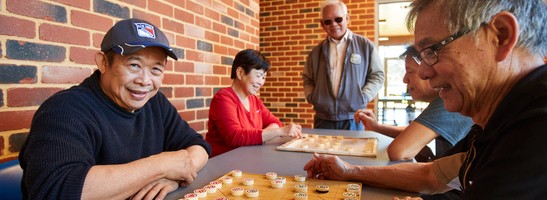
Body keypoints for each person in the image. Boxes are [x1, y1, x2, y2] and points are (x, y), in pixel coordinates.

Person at [304, 0, 547, 199]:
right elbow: (433, 175)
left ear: (500, 36)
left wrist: (360, 98)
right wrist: (349, 171)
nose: (422, 72)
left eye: (433, 51)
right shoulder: (498, 119)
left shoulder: (535, 125)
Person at [18, 18, 211, 200]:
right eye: (134, 65)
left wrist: (176, 176)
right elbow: (57, 188)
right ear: (103, 63)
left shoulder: (155, 103)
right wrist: (160, 167)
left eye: (156, 70)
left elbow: (198, 146)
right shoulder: (64, 110)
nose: (144, 81)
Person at [354, 46, 473, 161]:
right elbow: (414, 132)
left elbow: (399, 151)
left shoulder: (449, 99)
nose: (405, 79)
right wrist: (376, 127)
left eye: (410, 71)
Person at [303, 0, 384, 130]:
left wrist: (363, 97)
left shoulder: (365, 46)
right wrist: (312, 97)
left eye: (338, 19)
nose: (334, 24)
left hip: (354, 118)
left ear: (347, 18)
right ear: (322, 24)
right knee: (322, 151)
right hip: (323, 119)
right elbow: (307, 79)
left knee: (353, 150)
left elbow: (377, 76)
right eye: (328, 21)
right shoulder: (315, 53)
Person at [206, 49, 303, 157]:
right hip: (224, 163)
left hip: (249, 158)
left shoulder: (254, 100)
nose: (261, 82)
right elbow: (235, 137)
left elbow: (275, 122)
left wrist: (262, 136)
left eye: (264, 77)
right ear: (240, 73)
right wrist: (279, 132)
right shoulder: (223, 98)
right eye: (258, 75)